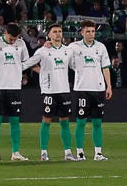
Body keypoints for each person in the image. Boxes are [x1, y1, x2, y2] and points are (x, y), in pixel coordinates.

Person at [25, 23, 76, 161]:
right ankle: (43, 152)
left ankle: (68, 153)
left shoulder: (68, 51)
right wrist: (41, 72)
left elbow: (75, 66)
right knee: (46, 120)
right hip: (49, 91)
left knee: (65, 122)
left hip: (64, 90)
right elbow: (28, 64)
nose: (58, 34)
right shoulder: (42, 51)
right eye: (55, 31)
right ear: (49, 35)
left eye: (60, 31)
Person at [0, 20, 30, 162]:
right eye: (11, 38)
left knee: (15, 121)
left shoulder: (21, 44)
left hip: (15, 87)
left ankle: (15, 152)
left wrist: (24, 75)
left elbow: (25, 62)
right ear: (5, 33)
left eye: (15, 39)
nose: (13, 41)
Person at [69, 20, 114, 161]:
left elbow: (105, 67)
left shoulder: (101, 47)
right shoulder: (74, 47)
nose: (90, 34)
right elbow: (61, 54)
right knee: (81, 121)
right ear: (82, 32)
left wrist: (109, 86)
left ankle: (98, 153)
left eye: (93, 31)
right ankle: (80, 152)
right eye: (88, 31)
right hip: (82, 88)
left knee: (97, 122)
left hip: (98, 88)